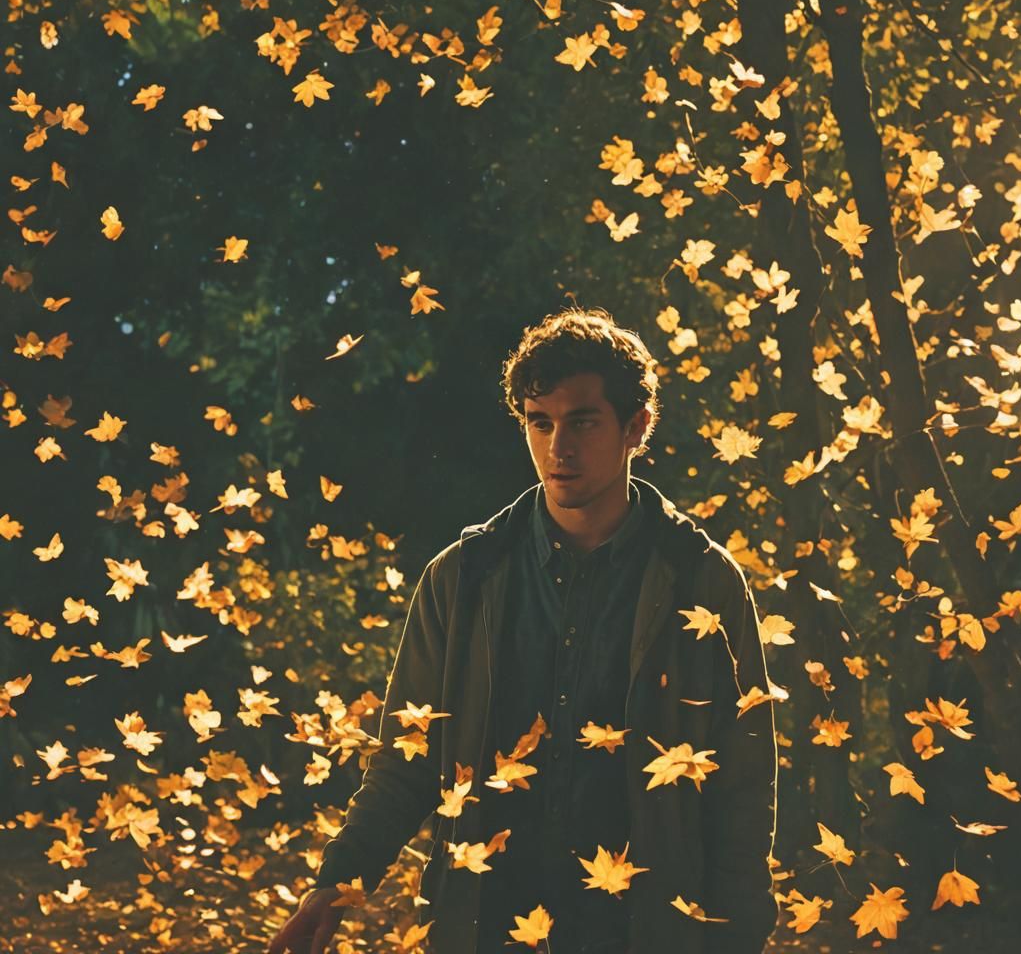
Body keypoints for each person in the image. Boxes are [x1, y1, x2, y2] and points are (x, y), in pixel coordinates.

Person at [268, 307, 778, 954]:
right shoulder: (463, 580)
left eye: (583, 422)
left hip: (638, 931)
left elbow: (742, 782)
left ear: (636, 428)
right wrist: (335, 885)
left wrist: (738, 933)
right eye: (540, 424)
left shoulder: (701, 581)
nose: (558, 447)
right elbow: (405, 763)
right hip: (485, 925)